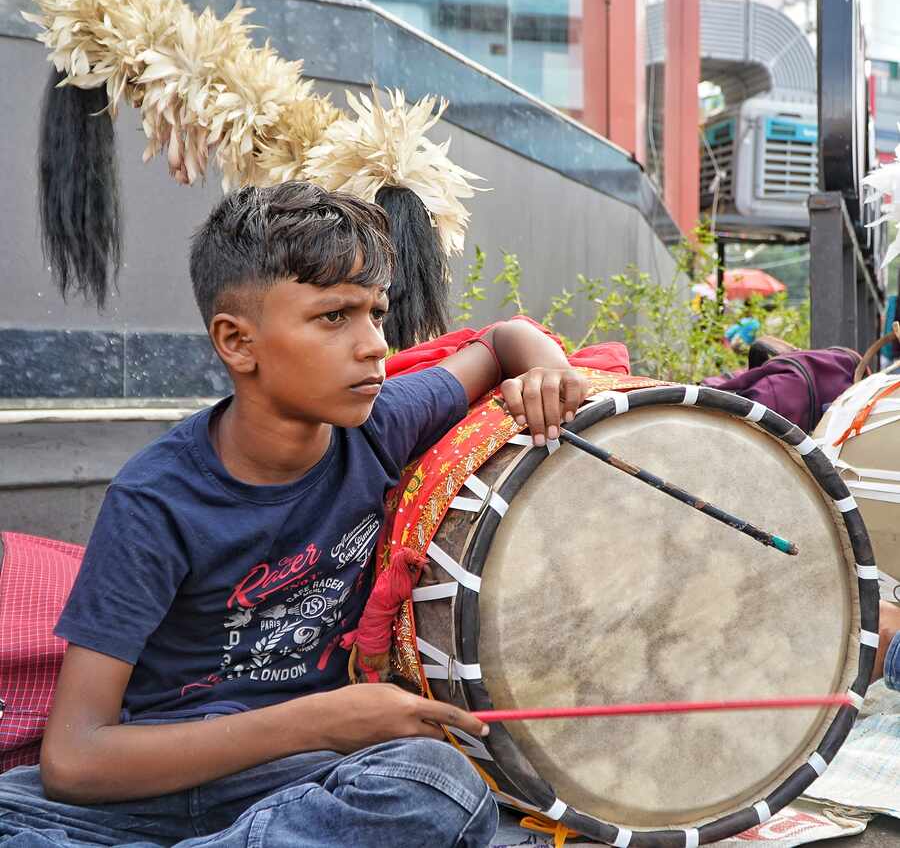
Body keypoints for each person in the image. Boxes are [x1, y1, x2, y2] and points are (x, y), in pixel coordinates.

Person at [0, 182, 588, 847]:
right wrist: (322, 720)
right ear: (237, 342)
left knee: (436, 784)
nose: (374, 346)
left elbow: (501, 339)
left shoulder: (378, 423)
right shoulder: (155, 501)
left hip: (305, 782)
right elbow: (75, 759)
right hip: (163, 775)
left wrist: (545, 366)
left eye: (376, 312)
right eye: (334, 317)